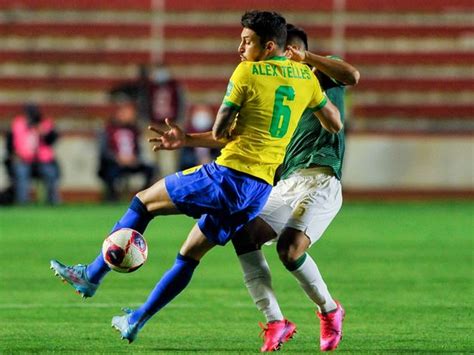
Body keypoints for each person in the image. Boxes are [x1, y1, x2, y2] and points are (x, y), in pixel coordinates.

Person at [50, 10, 342, 345]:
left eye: (247, 41)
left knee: (142, 202)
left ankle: (91, 276)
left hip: (227, 177)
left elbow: (221, 132)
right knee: (189, 255)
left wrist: (194, 135)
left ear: (269, 45)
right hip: (259, 190)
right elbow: (333, 122)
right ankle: (135, 320)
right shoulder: (304, 78)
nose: (240, 47)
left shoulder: (247, 72)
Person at [230, 24, 360, 352]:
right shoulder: (274, 88)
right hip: (287, 182)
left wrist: (308, 58)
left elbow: (352, 75)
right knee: (242, 231)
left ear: (291, 51)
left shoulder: (322, 72)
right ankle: (276, 321)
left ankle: (330, 311)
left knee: (289, 251)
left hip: (322, 180)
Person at [97, 95, 155, 201]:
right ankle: (112, 198)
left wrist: (135, 158)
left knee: (150, 169)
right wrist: (117, 158)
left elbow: (138, 149)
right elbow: (104, 151)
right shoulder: (108, 130)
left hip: (131, 162)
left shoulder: (134, 130)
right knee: (110, 173)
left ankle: (143, 198)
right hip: (114, 163)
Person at [8, 104, 60, 205]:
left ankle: (53, 202)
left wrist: (42, 133)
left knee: (50, 173)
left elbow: (52, 141)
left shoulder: (45, 124)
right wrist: (14, 155)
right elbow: (10, 144)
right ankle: (22, 203)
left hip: (43, 161)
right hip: (23, 160)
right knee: (21, 173)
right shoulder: (18, 124)